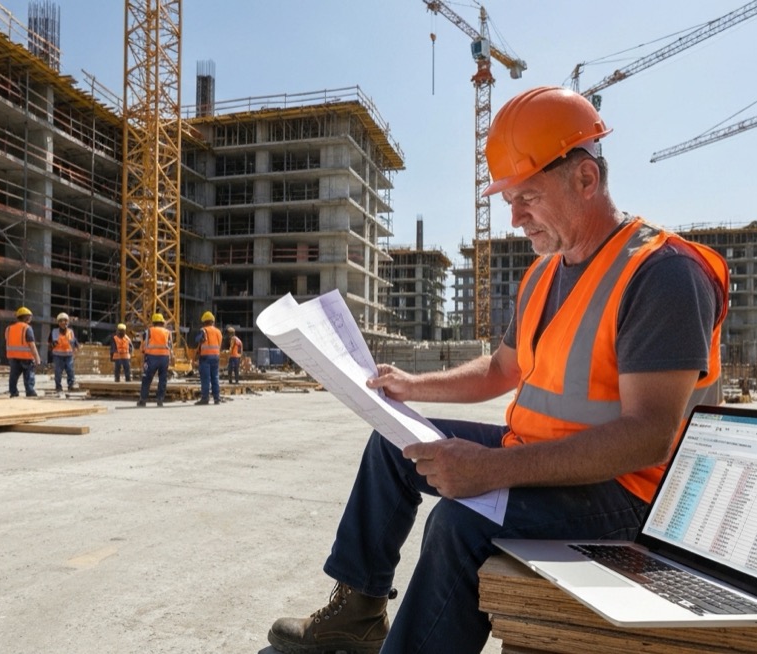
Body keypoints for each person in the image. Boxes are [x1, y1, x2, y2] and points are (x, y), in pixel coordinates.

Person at [267, 86, 730, 654]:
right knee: (393, 445)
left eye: (527, 196)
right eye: (510, 198)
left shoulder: (661, 274)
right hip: (537, 458)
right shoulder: (543, 274)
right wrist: (410, 388)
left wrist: (492, 468)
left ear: (586, 180)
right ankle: (359, 611)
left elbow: (650, 437)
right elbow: (501, 369)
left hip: (627, 497)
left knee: (458, 525)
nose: (513, 216)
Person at [5, 306, 42, 398]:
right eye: (29, 316)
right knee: (29, 375)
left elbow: (7, 339)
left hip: (13, 357)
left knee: (13, 376)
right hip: (26, 357)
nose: (30, 318)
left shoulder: (9, 328)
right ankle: (29, 391)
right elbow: (31, 345)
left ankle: (13, 392)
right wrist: (37, 358)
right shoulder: (27, 328)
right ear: (26, 317)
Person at [138, 313, 171, 408]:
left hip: (151, 357)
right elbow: (170, 346)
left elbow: (144, 343)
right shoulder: (167, 332)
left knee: (147, 378)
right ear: (162, 322)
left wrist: (143, 352)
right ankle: (160, 400)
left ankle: (143, 400)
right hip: (164, 357)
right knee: (163, 379)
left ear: (153, 322)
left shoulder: (149, 331)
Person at [195, 311, 223, 405]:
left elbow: (197, 339)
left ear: (204, 321)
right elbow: (219, 343)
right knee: (215, 377)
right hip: (216, 356)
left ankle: (205, 398)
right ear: (213, 321)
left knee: (205, 378)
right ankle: (217, 398)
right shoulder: (218, 331)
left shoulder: (203, 330)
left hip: (205, 357)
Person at [49, 312, 81, 393]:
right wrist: (52, 345)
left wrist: (77, 348)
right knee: (58, 371)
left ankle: (71, 385)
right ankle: (58, 386)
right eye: (61, 321)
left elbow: (74, 342)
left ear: (68, 322)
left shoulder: (71, 331)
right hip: (58, 355)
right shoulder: (54, 331)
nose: (63, 323)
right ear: (58, 322)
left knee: (70, 370)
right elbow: (49, 343)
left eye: (65, 320)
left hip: (68, 355)